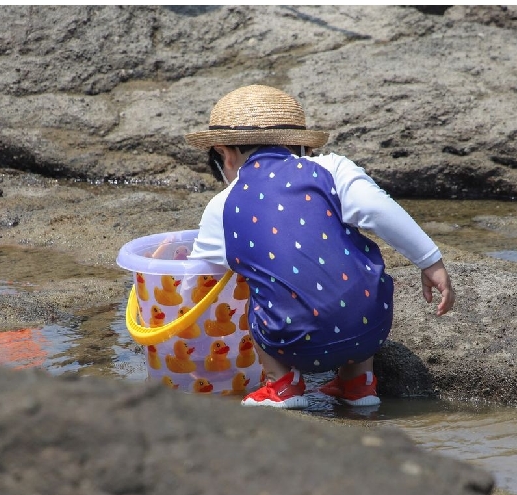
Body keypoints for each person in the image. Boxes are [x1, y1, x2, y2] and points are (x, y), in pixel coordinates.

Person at [185, 84, 455, 409]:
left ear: (224, 153)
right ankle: (358, 383)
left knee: (257, 290)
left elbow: (198, 280)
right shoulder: (333, 168)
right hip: (371, 329)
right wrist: (430, 261)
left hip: (292, 341)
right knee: (353, 265)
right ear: (300, 146)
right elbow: (379, 211)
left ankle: (281, 384)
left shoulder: (223, 204)